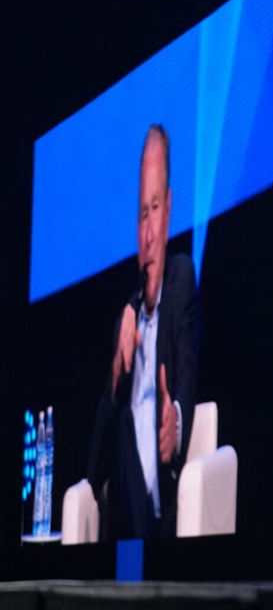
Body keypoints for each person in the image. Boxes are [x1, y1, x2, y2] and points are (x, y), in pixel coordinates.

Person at [87, 124, 200, 539]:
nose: (148, 233)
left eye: (155, 209)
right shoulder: (126, 317)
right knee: (121, 428)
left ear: (169, 209)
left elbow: (187, 369)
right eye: (141, 214)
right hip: (123, 505)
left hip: (162, 506)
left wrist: (178, 424)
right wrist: (118, 372)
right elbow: (97, 450)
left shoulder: (182, 278)